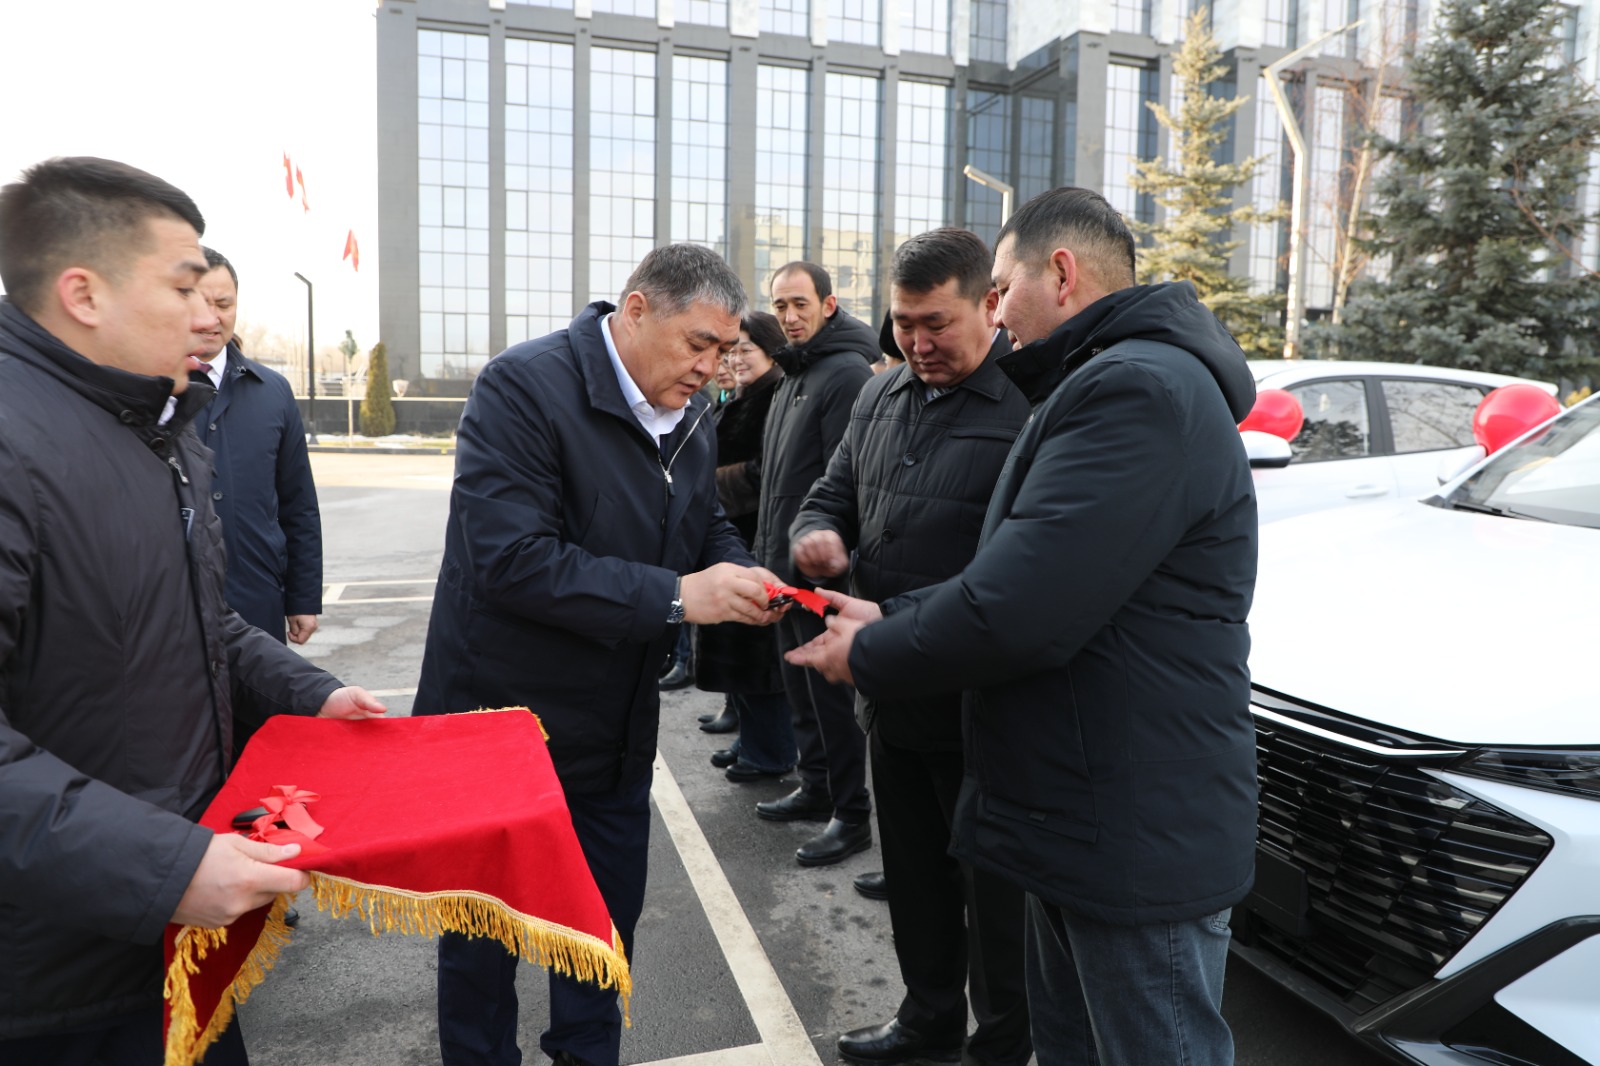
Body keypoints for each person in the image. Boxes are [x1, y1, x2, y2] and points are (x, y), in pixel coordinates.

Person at [786, 187, 1260, 1066]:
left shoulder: (1135, 391)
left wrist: (874, 644)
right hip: (1081, 809)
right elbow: (1028, 579)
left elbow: (1021, 607)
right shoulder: (1102, 381)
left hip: (1127, 826)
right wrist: (890, 611)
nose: (997, 315)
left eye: (1001, 291)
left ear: (1063, 274)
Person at [0, 156, 387, 1065]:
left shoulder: (154, 429)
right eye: (182, 288)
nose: (207, 316)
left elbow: (201, 622)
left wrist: (312, 693)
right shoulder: (17, 442)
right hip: (53, 974)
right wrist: (164, 868)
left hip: (170, 923)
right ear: (83, 294)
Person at [414, 244, 781, 1066]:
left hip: (613, 729)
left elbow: (701, 521)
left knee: (599, 938)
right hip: (499, 722)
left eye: (724, 350)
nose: (711, 368)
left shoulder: (690, 411)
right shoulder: (522, 387)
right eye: (698, 344)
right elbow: (511, 560)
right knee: (482, 940)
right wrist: (676, 597)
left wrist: (740, 571)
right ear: (637, 310)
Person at [789, 229, 1033, 1066]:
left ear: (990, 306)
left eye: (937, 324)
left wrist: (892, 620)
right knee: (918, 884)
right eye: (903, 324)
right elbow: (832, 491)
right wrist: (817, 532)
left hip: (983, 711)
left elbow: (1018, 578)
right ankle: (927, 1019)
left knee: (996, 907)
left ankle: (1000, 1047)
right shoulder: (880, 394)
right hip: (891, 695)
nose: (918, 344)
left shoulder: (1028, 406)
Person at [751, 261, 876, 866]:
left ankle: (851, 814)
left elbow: (843, 486)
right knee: (800, 690)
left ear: (828, 304)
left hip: (819, 575)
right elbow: (778, 483)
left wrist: (822, 562)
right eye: (779, 305)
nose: (789, 316)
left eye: (800, 303)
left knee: (829, 698)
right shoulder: (793, 374)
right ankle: (817, 786)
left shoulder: (845, 372)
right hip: (782, 567)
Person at [189, 248, 323, 648]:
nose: (213, 317)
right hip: (175, 603)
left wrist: (303, 596)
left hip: (256, 597)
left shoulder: (273, 392)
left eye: (224, 304)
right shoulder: (149, 388)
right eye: (201, 302)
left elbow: (298, 502)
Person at [697, 311, 795, 777]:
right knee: (738, 648)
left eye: (745, 351)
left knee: (757, 654)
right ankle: (750, 740)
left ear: (771, 351)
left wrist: (708, 486)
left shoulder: (774, 397)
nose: (734, 359)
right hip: (732, 532)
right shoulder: (741, 396)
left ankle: (769, 752)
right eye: (730, 351)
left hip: (757, 534)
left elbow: (763, 472)